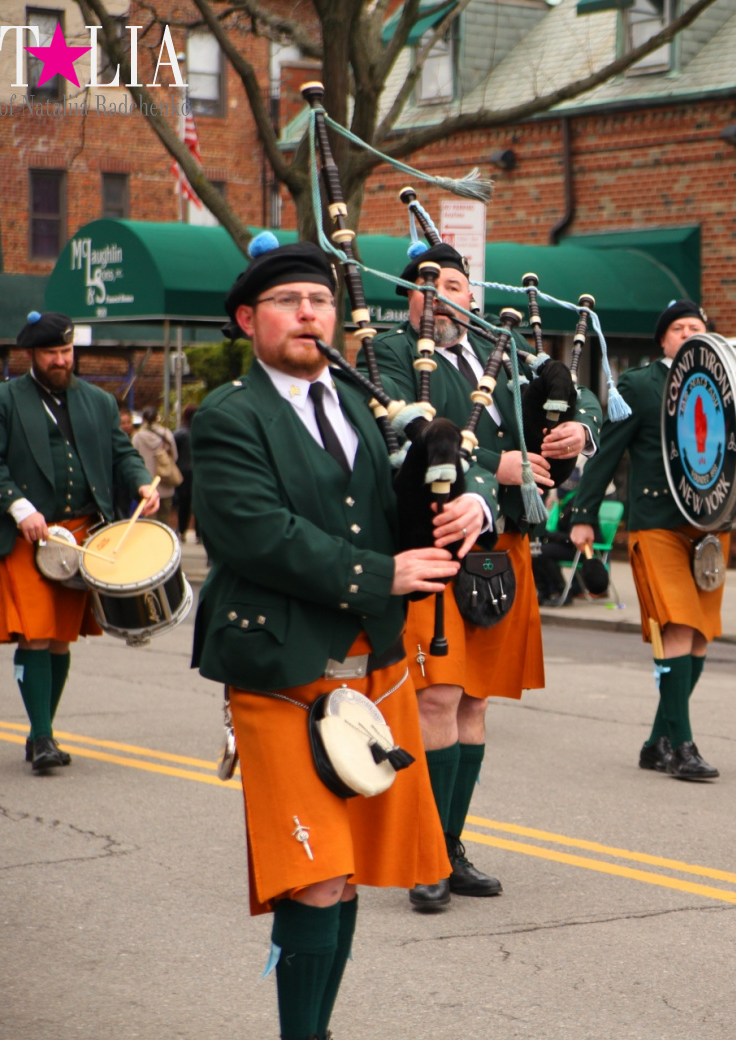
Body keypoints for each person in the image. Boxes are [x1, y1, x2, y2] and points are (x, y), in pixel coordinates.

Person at [193, 236, 466, 1040]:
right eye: (287, 302)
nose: (308, 314)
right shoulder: (228, 416)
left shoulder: (353, 403)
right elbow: (254, 533)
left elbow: (388, 514)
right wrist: (378, 576)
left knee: (345, 878)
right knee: (313, 877)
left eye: (319, 301)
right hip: (280, 665)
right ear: (249, 320)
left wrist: (461, 503)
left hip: (368, 668)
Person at [374, 242, 600, 910]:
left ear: (471, 297)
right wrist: (496, 468)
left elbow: (577, 396)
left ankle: (449, 844)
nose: (442, 295)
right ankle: (423, 852)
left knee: (473, 701)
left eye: (454, 284)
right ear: (407, 298)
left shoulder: (499, 355)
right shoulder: (389, 354)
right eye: (426, 284)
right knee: (438, 699)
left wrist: (575, 434)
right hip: (437, 540)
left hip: (505, 546)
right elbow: (402, 432)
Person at [0, 311, 157, 772]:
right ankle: (41, 738)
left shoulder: (97, 400)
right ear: (31, 354)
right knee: (34, 633)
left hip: (81, 535)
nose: (61, 360)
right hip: (24, 535)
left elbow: (121, 453)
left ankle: (44, 731)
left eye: (67, 351)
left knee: (60, 639)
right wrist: (20, 508)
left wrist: (140, 484)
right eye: (52, 353)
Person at [570, 300, 728, 781]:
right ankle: (681, 746)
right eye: (677, 328)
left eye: (695, 327)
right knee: (677, 627)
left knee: (700, 637)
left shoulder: (725, 380)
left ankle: (656, 741)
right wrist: (583, 515)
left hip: (710, 527)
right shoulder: (639, 385)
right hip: (657, 520)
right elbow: (605, 453)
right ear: (663, 339)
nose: (686, 333)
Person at [131, 404, 179, 515]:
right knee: (164, 523)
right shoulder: (167, 434)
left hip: (148, 486)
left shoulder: (137, 437)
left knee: (150, 524)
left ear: (143, 419)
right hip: (166, 483)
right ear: (157, 417)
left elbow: (133, 460)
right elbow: (175, 457)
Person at [174, 405, 197, 542]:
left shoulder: (179, 433)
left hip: (182, 471)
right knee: (197, 503)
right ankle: (199, 533)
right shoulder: (200, 432)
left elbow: (174, 453)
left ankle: (182, 530)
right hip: (197, 471)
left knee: (184, 503)